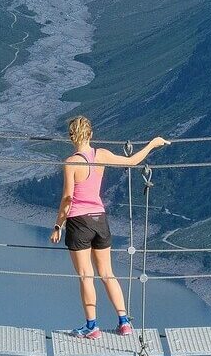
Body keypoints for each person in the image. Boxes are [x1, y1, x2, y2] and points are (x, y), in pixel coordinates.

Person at [50, 115, 169, 339]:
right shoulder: (101, 154)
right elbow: (133, 162)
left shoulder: (71, 163)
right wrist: (153, 143)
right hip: (100, 220)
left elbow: (67, 199)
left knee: (86, 275)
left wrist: (58, 225)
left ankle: (91, 327)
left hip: (79, 222)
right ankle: (124, 323)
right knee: (108, 274)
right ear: (91, 134)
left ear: (70, 137)